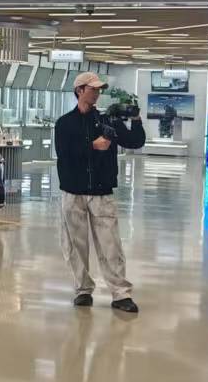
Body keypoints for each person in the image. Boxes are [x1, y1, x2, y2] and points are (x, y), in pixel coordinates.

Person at [54, 72, 145, 314]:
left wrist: (135, 118)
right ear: (79, 91)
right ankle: (83, 290)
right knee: (75, 245)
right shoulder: (64, 123)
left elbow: (135, 142)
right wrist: (92, 146)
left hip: (102, 192)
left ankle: (121, 294)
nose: (96, 93)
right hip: (73, 191)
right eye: (92, 89)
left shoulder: (107, 122)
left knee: (110, 244)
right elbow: (64, 153)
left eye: (98, 89)